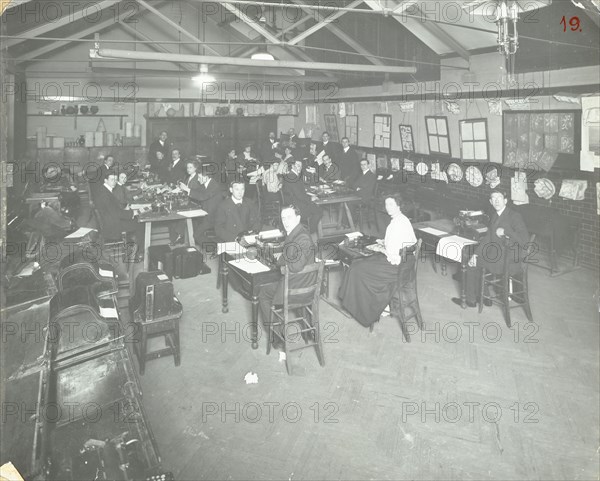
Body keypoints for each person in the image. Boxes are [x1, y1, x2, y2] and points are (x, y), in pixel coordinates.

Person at [338, 194, 417, 328]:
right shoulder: (403, 220)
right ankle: (357, 302)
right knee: (360, 264)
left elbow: (392, 253)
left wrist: (380, 248)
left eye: (391, 204)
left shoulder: (395, 224)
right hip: (407, 263)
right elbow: (404, 243)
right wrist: (384, 242)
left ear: (399, 206)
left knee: (357, 268)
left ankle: (365, 310)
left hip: (396, 267)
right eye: (386, 204)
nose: (388, 208)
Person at [451, 189, 530, 308]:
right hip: (499, 257)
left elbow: (525, 241)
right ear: (490, 202)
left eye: (499, 198)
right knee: (474, 260)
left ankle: (471, 300)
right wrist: (476, 254)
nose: (496, 201)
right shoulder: (495, 216)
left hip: (509, 262)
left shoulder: (514, 216)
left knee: (472, 265)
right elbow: (488, 238)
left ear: (505, 201)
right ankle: (485, 297)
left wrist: (506, 231)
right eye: (494, 199)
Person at [258, 205, 316, 350]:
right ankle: (307, 332)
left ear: (298, 218)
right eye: (283, 218)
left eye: (289, 217)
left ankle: (278, 339)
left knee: (263, 294)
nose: (285, 221)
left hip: (297, 289)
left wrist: (282, 264)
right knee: (273, 278)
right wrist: (281, 258)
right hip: (304, 283)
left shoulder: (301, 237)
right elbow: (292, 253)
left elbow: (295, 266)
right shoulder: (297, 232)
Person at [93, 170, 145, 262]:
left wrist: (127, 211)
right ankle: (139, 254)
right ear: (105, 180)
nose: (114, 182)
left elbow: (114, 210)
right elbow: (116, 213)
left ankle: (132, 249)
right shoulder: (105, 194)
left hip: (110, 221)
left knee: (135, 221)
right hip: (112, 225)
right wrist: (133, 213)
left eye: (115, 179)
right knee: (140, 223)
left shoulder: (105, 190)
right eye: (112, 179)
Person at [282, 159, 322, 235]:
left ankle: (306, 231)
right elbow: (299, 195)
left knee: (314, 206)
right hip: (297, 207)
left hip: (294, 203)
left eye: (300, 166)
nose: (299, 167)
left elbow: (299, 193)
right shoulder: (292, 177)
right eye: (297, 165)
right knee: (319, 211)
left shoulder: (292, 175)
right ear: (293, 166)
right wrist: (311, 198)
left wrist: (309, 196)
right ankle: (309, 232)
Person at [187, 165, 222, 249]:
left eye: (199, 177)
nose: (198, 180)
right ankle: (213, 247)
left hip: (213, 216)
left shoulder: (214, 185)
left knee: (196, 234)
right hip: (206, 213)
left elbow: (203, 196)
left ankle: (215, 248)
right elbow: (197, 192)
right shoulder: (205, 184)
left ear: (206, 177)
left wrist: (188, 190)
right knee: (194, 226)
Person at [171, 159, 204, 245]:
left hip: (195, 203)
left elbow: (196, 192)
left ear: (195, 168)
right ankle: (179, 235)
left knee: (178, 212)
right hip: (188, 200)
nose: (188, 169)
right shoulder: (189, 177)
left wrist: (184, 188)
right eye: (187, 167)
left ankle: (180, 236)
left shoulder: (198, 178)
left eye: (190, 167)